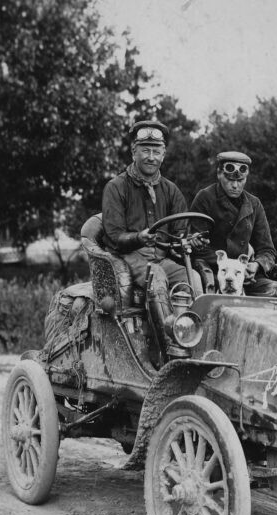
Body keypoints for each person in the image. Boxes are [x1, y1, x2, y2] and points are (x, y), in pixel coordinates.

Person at [101, 120, 202, 353]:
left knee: (193, 278)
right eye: (145, 150)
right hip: (128, 258)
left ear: (164, 155)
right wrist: (138, 238)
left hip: (161, 258)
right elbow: (114, 236)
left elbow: (178, 236)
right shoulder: (116, 187)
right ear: (133, 151)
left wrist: (187, 242)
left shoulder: (171, 191)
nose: (151, 157)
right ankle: (167, 349)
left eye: (156, 151)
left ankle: (195, 341)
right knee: (155, 275)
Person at [190, 151, 277, 298]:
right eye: (229, 179)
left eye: (240, 181)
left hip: (245, 274)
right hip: (214, 271)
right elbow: (198, 247)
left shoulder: (254, 204)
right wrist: (229, 267)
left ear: (246, 179)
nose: (235, 185)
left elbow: (267, 250)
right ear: (219, 174)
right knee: (207, 301)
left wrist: (256, 265)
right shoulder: (205, 198)